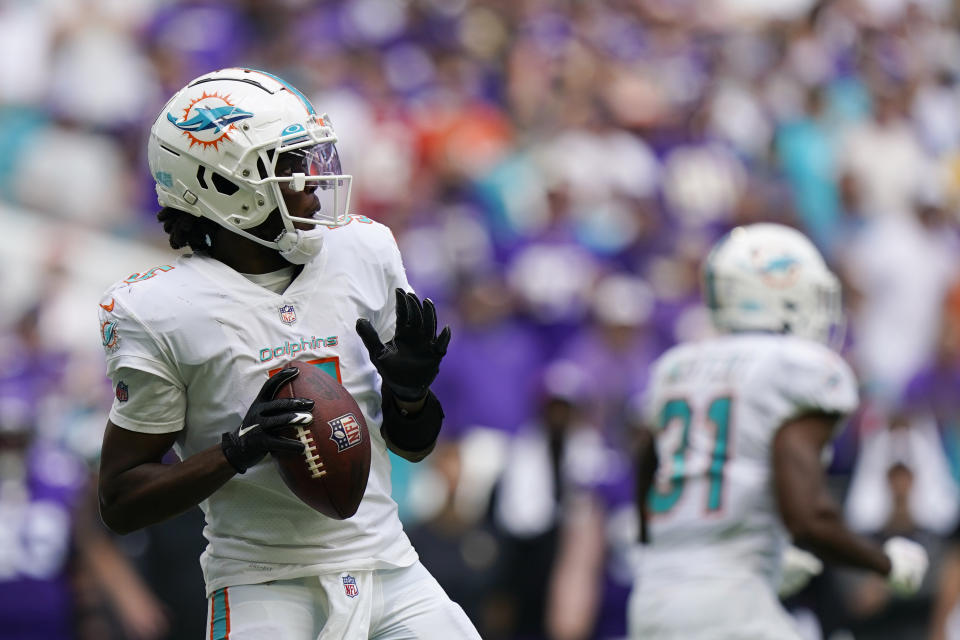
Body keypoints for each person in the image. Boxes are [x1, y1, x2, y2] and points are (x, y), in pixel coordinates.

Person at [96, 68, 480, 640]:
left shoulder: (364, 250)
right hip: (263, 584)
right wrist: (237, 451)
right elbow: (122, 499)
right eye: (287, 164)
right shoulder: (158, 308)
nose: (310, 179)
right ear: (221, 185)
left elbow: (413, 446)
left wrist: (410, 394)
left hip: (389, 567)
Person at [629, 223, 930, 639]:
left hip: (652, 600)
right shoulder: (795, 368)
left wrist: (752, 552)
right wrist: (886, 564)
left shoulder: (675, 368)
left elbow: (648, 481)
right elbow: (808, 517)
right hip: (731, 605)